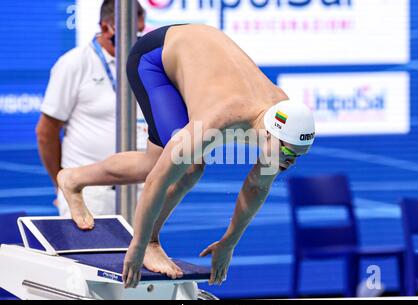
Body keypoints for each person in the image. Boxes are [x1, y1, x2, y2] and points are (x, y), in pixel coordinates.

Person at [57, 24, 315, 288]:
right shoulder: (223, 117)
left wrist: (229, 242)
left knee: (152, 162)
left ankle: (73, 179)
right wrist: (140, 244)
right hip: (154, 58)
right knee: (188, 168)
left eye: (297, 156)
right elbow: (158, 180)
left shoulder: (282, 118)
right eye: (286, 152)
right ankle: (153, 243)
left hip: (196, 54)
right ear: (271, 134)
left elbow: (257, 185)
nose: (289, 161)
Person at [35, 0, 146, 218]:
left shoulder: (146, 66)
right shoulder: (74, 64)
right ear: (106, 28)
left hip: (140, 191)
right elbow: (45, 133)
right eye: (133, 33)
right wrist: (61, 181)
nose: (139, 40)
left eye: (141, 33)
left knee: (139, 253)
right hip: (90, 194)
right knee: (87, 252)